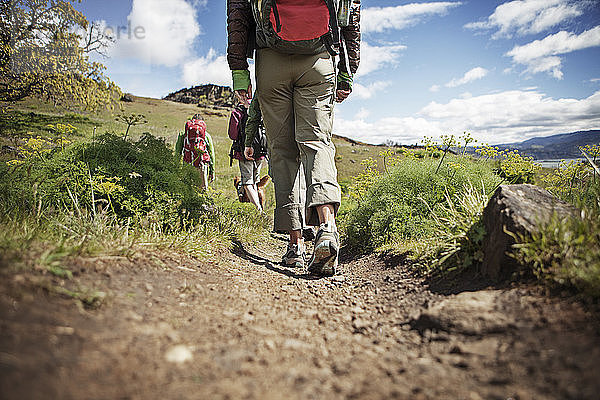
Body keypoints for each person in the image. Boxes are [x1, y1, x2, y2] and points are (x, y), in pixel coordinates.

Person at [227, 0, 361, 276]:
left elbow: (238, 15)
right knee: (317, 143)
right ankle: (327, 229)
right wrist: (348, 70)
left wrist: (239, 69)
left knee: (283, 152)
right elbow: (350, 15)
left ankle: (295, 245)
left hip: (270, 59)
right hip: (319, 58)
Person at [234, 95, 268, 212]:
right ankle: (259, 206)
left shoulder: (237, 112)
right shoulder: (259, 108)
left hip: (244, 151)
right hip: (260, 151)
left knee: (247, 182)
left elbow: (232, 134)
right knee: (255, 181)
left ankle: (258, 209)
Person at [176, 113, 215, 191]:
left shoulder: (183, 134)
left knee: (187, 189)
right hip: (201, 165)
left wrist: (176, 168)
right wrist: (212, 171)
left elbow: (178, 152)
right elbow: (211, 154)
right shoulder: (206, 135)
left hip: (187, 165)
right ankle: (202, 202)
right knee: (202, 190)